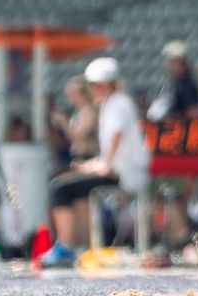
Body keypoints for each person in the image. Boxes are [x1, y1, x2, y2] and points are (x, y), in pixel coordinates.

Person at [43, 58, 149, 267]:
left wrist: (104, 165)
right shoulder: (113, 103)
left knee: (60, 189)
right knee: (65, 183)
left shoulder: (117, 104)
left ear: (109, 84)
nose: (94, 89)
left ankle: (65, 246)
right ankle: (76, 245)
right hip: (117, 170)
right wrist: (92, 165)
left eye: (98, 84)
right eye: (93, 85)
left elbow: (117, 137)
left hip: (123, 175)